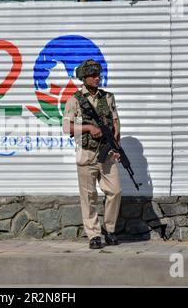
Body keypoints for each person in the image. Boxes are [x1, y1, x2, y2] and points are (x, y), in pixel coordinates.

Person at [63, 59, 122, 249]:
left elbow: (115, 124)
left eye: (98, 75)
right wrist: (88, 127)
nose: (97, 78)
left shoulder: (108, 97)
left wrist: (117, 147)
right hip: (87, 154)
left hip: (107, 154)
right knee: (89, 197)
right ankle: (94, 235)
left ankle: (110, 230)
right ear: (84, 77)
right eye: (93, 75)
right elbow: (66, 127)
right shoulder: (74, 100)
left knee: (115, 191)